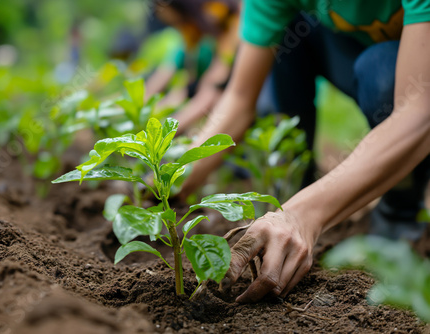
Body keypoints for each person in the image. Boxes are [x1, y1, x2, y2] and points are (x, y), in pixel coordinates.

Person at [178, 0, 430, 303]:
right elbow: (239, 97)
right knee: (291, 33)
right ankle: (297, 187)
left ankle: (400, 211)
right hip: (359, 52)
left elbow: (418, 111)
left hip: (409, 76)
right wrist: (173, 176)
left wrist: (302, 215)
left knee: (381, 75)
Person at [144, 0, 241, 134]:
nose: (182, 29)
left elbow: (212, 88)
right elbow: (172, 79)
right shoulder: (191, 41)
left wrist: (163, 134)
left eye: (181, 21)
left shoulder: (221, 19)